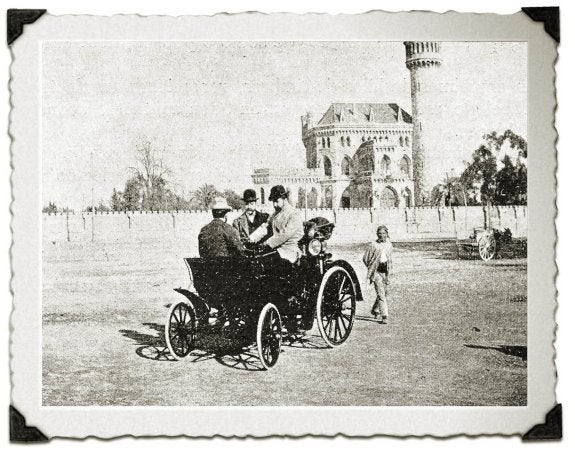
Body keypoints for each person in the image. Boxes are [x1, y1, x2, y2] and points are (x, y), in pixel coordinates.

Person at [260, 185, 304, 265]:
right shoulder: (275, 213)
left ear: (284, 199)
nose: (274, 205)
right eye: (273, 201)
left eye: (277, 201)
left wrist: (268, 243)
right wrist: (251, 239)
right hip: (276, 249)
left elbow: (285, 234)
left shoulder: (293, 214)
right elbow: (266, 226)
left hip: (289, 250)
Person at [363, 225, 393, 324]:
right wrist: (371, 268)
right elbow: (365, 258)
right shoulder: (373, 245)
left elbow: (389, 259)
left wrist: (389, 273)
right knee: (381, 294)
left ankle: (375, 309)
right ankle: (384, 316)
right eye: (379, 233)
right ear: (377, 234)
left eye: (384, 233)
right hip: (376, 272)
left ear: (387, 234)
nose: (382, 235)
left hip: (385, 272)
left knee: (385, 292)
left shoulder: (389, 245)